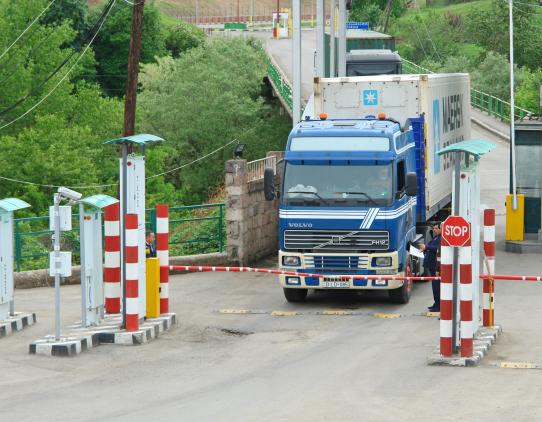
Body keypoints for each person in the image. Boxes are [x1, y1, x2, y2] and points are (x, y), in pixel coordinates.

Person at [419, 223, 441, 312]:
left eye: (436, 228)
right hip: (431, 266)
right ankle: (436, 304)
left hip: (435, 266)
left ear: (441, 229)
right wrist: (425, 249)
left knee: (437, 287)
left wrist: (426, 246)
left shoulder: (441, 238)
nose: (434, 230)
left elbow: (437, 249)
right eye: (433, 228)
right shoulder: (436, 237)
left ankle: (438, 306)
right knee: (434, 286)